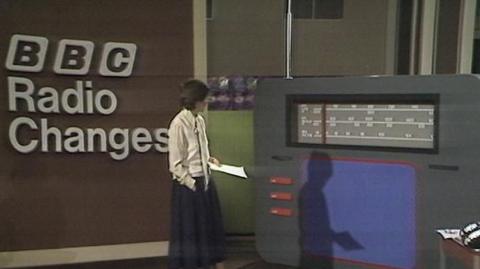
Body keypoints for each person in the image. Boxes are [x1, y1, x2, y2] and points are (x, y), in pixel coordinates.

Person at [167, 79, 226, 269]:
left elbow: (200, 151)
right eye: (204, 99)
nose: (207, 102)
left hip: (205, 181)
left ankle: (207, 263)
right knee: (191, 232)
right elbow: (175, 165)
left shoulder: (199, 121)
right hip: (189, 187)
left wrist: (210, 160)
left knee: (208, 228)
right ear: (195, 100)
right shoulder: (178, 124)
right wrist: (192, 184)